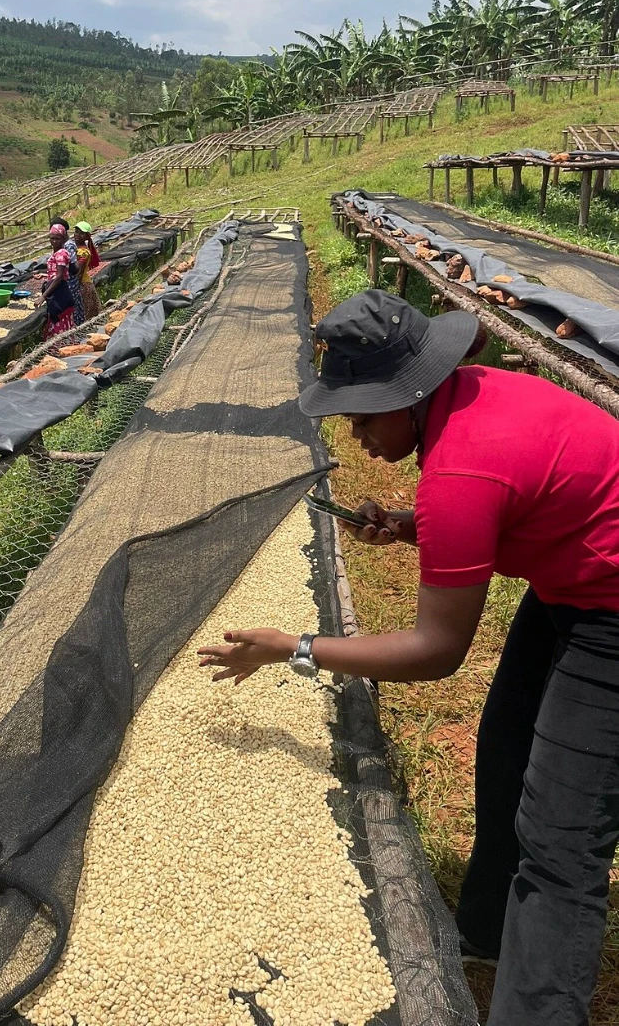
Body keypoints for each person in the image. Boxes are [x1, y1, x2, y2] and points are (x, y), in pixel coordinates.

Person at [198, 289, 619, 1026]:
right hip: (576, 577)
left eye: (361, 414)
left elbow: (436, 652)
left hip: (610, 608)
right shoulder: (474, 399)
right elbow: (513, 505)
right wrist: (409, 525)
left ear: (411, 394)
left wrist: (292, 648)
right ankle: (487, 937)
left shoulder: (460, 473)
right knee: (508, 753)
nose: (354, 432)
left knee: (562, 841)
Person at [38, 224, 76, 339]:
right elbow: (61, 272)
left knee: (58, 327)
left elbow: (59, 277)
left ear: (63, 239)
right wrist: (45, 275)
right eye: (52, 238)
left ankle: (59, 350)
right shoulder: (59, 252)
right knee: (62, 326)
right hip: (59, 290)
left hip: (60, 293)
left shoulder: (61, 253)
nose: (54, 241)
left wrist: (43, 296)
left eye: (57, 238)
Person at [51, 217, 85, 326]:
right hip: (66, 282)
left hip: (69, 283)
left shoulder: (68, 246)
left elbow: (74, 268)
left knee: (70, 313)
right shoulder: (61, 246)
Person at [74, 221, 102, 320]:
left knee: (85, 313)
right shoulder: (75, 248)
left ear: (86, 237)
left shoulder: (83, 252)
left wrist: (74, 288)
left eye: (81, 233)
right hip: (83, 283)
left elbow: (79, 273)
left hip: (82, 285)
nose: (77, 235)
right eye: (76, 231)